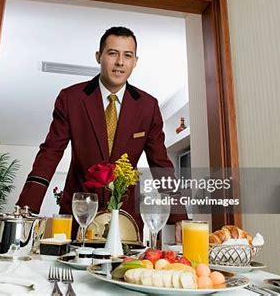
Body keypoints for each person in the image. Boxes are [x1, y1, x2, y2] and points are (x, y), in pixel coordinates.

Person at [16, 26, 187, 241]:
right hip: (80, 213)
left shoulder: (148, 106)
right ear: (99, 56)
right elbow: (50, 152)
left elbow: (161, 163)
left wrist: (180, 215)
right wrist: (27, 208)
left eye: (128, 55)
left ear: (135, 61)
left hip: (127, 219)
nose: (120, 62)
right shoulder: (71, 99)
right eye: (112, 53)